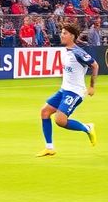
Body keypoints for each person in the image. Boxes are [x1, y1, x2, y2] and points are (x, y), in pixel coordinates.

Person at [37, 23, 98, 157]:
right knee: (45, 112)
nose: (62, 35)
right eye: (62, 32)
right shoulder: (65, 51)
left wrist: (92, 86)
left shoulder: (78, 52)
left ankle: (87, 128)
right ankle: (49, 147)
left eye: (64, 33)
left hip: (75, 92)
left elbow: (95, 65)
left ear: (72, 36)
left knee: (60, 120)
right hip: (64, 90)